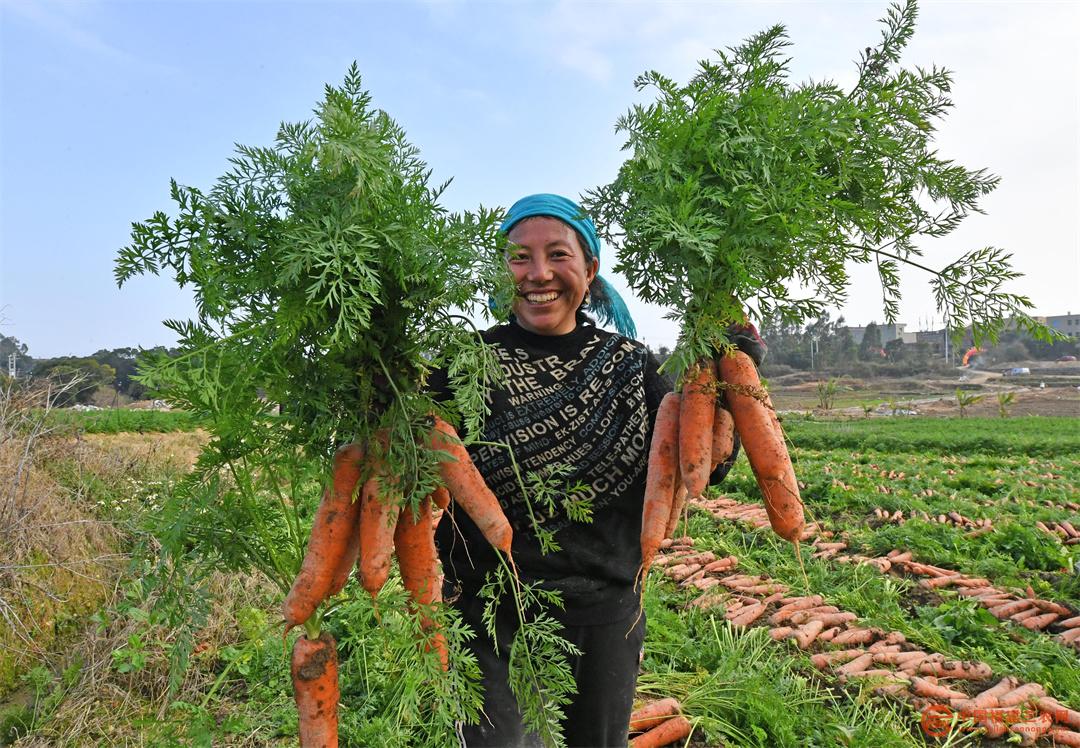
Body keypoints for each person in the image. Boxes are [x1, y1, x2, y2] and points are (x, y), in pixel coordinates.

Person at [431, 193, 764, 747]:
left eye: (558, 254)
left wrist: (727, 386)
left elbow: (704, 464)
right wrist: (375, 388)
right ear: (501, 269)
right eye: (519, 256)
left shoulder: (632, 366)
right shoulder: (459, 364)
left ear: (589, 269)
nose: (539, 273)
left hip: (603, 610)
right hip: (487, 610)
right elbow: (399, 458)